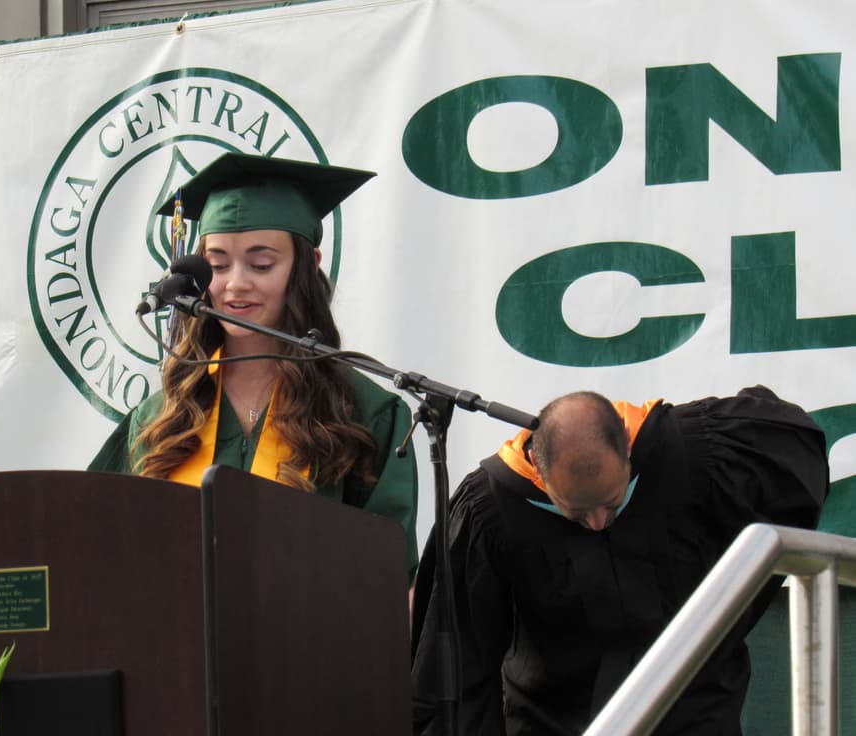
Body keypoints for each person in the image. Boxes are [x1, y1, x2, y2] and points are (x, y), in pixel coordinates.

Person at [411, 385, 829, 735]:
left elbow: (795, 465)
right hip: (556, 724)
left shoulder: (695, 451)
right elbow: (459, 675)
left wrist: (729, 615)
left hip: (695, 717)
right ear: (540, 466)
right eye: (576, 511)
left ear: (628, 449)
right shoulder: (493, 508)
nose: (596, 524)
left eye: (611, 503)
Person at [90, 151, 419, 575]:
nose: (235, 284)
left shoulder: (364, 413)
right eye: (218, 265)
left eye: (262, 264)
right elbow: (102, 548)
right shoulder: (162, 417)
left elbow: (389, 581)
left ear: (307, 265)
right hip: (178, 638)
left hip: (313, 640)